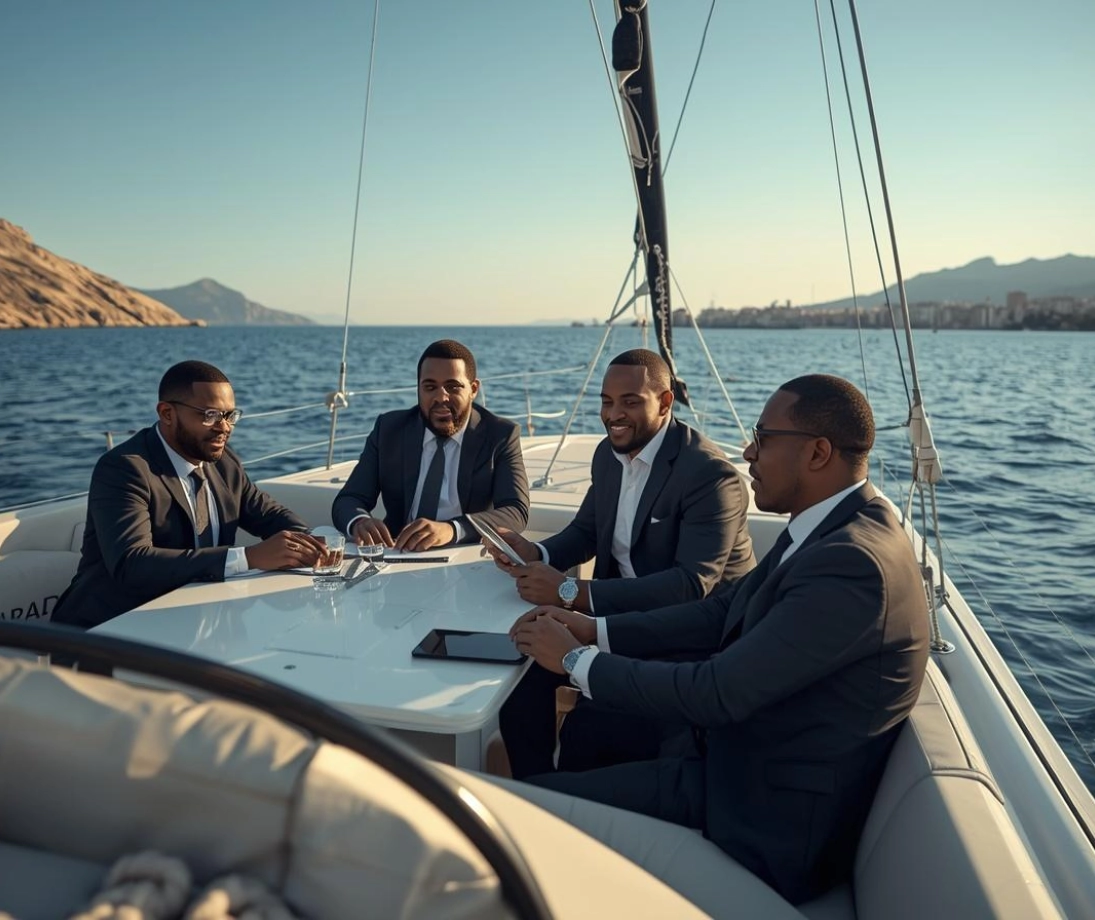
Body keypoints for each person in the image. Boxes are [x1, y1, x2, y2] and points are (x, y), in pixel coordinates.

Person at [508, 374, 930, 904]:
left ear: (818, 453)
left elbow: (719, 691)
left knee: (509, 809)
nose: (748, 451)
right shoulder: (831, 527)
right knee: (565, 754)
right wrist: (595, 630)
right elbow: (721, 611)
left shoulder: (851, 563)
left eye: (763, 437)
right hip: (730, 765)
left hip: (760, 822)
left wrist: (575, 661)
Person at [488, 348, 755, 779]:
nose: (614, 414)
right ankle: (535, 791)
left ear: (665, 403)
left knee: (591, 733)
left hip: (688, 641)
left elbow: (691, 586)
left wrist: (569, 591)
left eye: (630, 401)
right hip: (615, 619)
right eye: (606, 402)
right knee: (520, 681)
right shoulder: (607, 456)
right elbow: (587, 533)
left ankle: (568, 802)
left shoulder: (709, 475)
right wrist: (536, 553)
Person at [53, 361, 324, 631]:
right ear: (167, 413)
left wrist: (310, 542)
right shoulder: (125, 468)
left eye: (230, 416)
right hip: (112, 630)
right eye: (210, 415)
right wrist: (248, 558)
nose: (224, 427)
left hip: (202, 619)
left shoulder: (224, 462)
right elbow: (132, 564)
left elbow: (268, 514)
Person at [331, 339, 529, 551]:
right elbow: (349, 499)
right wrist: (360, 522)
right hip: (397, 552)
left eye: (453, 387)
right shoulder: (389, 430)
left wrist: (452, 530)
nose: (441, 397)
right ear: (419, 389)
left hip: (464, 554)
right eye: (430, 387)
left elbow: (515, 511)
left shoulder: (500, 435)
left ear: (473, 389)